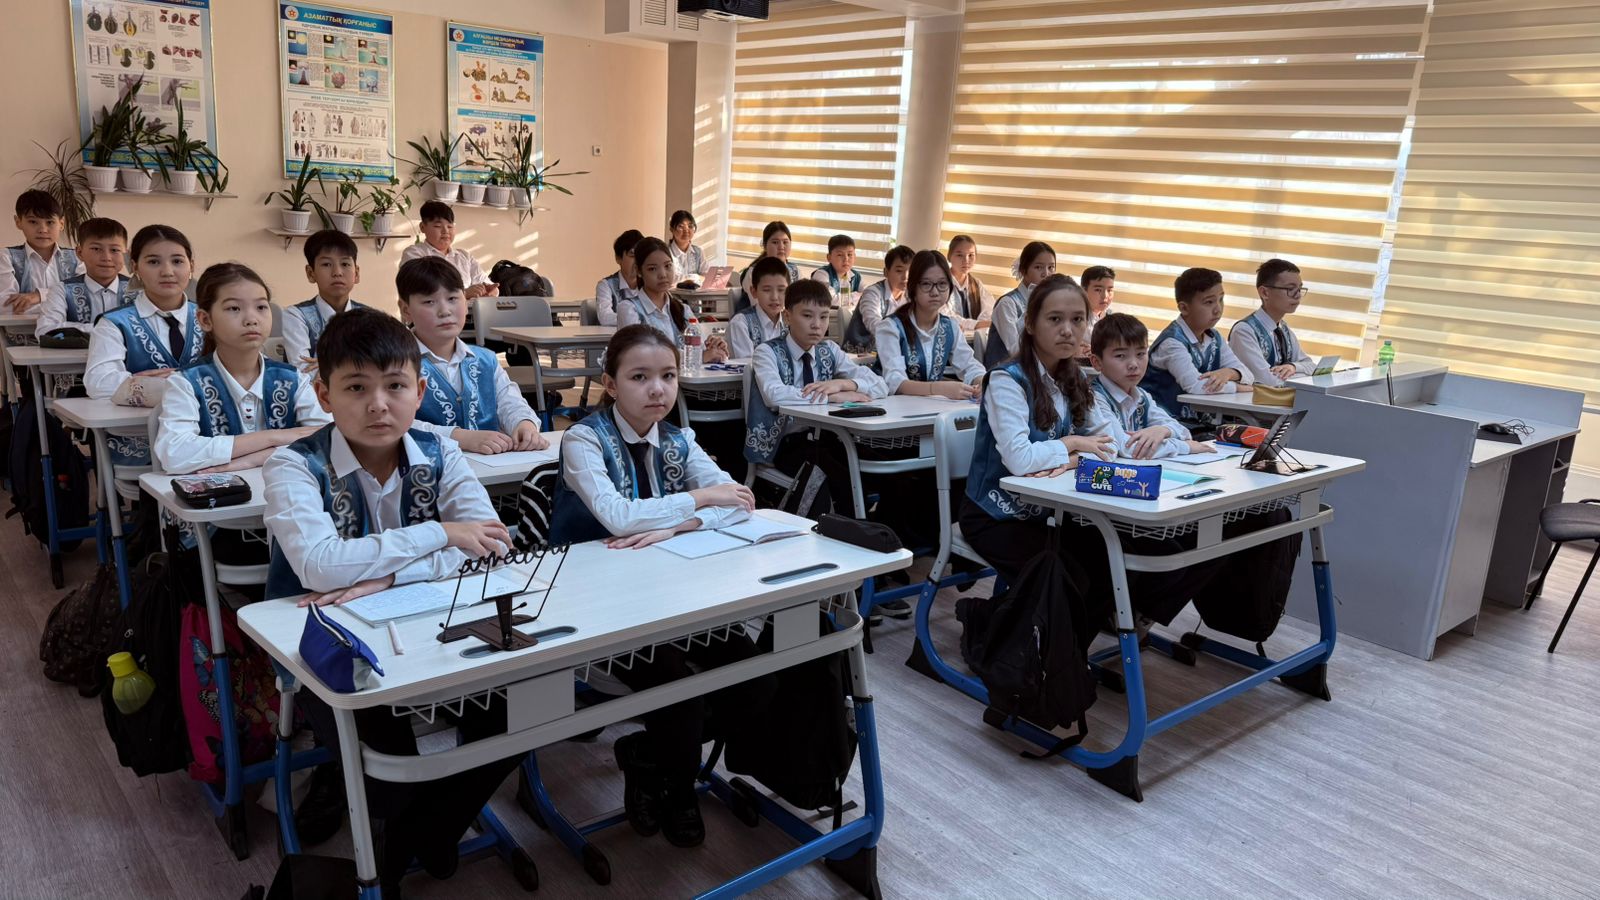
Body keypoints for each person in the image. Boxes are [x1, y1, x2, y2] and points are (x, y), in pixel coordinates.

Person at [262, 307, 523, 894]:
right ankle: (409, 837)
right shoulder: (293, 464)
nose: (379, 405)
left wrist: (389, 578)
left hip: (431, 623)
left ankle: (420, 840)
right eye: (356, 388)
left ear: (419, 392)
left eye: (396, 387)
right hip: (325, 641)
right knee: (388, 762)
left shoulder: (440, 451)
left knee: (514, 714)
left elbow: (491, 544)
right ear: (324, 395)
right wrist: (441, 534)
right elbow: (320, 566)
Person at [548, 324, 773, 849]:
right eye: (639, 377)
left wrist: (681, 525)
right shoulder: (583, 439)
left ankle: (649, 756)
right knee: (678, 690)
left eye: (668, 376)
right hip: (598, 604)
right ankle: (679, 788)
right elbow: (619, 516)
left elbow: (739, 502)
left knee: (754, 674)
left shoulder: (678, 439)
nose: (657, 389)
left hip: (675, 592)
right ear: (610, 384)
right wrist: (700, 500)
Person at [959, 274, 1113, 652]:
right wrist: (1073, 444)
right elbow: (1020, 459)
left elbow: (1108, 445)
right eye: (1055, 319)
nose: (1068, 330)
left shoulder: (1075, 378)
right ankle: (1002, 636)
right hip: (994, 515)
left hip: (1047, 513)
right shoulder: (1006, 380)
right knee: (1066, 576)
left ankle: (1060, 660)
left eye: (1078, 320)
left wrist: (1073, 459)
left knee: (1109, 562)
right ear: (1030, 324)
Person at [155, 263, 327, 475]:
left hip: (285, 488)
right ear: (205, 320)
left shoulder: (293, 379)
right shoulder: (185, 382)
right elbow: (173, 453)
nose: (252, 319)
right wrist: (272, 437)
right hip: (216, 494)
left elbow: (329, 440)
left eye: (261, 307)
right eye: (234, 308)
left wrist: (252, 459)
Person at [746, 279, 888, 514]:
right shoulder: (767, 351)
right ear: (788, 316)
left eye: (823, 317)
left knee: (876, 463)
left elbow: (881, 385)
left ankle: (873, 523)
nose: (816, 325)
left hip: (830, 437)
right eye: (807, 316)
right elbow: (774, 394)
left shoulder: (829, 350)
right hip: (783, 443)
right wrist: (830, 397)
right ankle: (848, 524)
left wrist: (844, 384)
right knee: (839, 472)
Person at [395, 256, 546, 454]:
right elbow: (393, 422)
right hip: (426, 468)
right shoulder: (394, 363)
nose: (445, 311)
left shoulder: (486, 359)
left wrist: (524, 424)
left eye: (452, 299)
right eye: (429, 301)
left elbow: (510, 401)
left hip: (493, 466)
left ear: (466, 303)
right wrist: (459, 437)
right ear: (406, 310)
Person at [85, 224, 204, 468]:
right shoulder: (114, 323)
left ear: (192, 265)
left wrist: (139, 382)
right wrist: (185, 384)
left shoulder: (209, 317)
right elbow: (98, 382)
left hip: (206, 440)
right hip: (140, 443)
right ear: (135, 267)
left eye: (177, 261)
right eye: (153, 262)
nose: (167, 271)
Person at [1088, 313, 1211, 460]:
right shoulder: (1094, 398)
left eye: (1140, 354)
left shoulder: (1141, 395)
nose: (1133, 364)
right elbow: (1126, 448)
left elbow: (1183, 432)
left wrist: (1162, 430)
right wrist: (1186, 447)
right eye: (1120, 356)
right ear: (1097, 362)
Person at [1141, 267, 1252, 421]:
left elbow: (1248, 375)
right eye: (1209, 302)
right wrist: (1238, 387)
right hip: (1163, 422)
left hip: (1197, 423)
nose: (1218, 309)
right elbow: (1197, 386)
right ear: (1184, 308)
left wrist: (1229, 373)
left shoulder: (1214, 337)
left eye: (1221, 299)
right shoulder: (1171, 343)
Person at [875, 249, 984, 398]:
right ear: (913, 288)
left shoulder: (950, 326)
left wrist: (982, 382)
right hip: (891, 407)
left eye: (942, 284)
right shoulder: (890, 327)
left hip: (933, 407)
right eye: (926, 284)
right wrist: (938, 389)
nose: (935, 292)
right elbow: (895, 382)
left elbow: (970, 366)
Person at [618, 237, 728, 363]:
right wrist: (699, 357)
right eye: (652, 269)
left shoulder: (683, 310)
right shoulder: (629, 308)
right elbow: (641, 355)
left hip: (686, 375)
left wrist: (715, 349)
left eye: (668, 266)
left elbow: (700, 348)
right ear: (639, 271)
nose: (663, 274)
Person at [285, 229, 364, 371]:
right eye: (326, 264)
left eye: (345, 264)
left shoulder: (368, 317)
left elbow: (381, 365)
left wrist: (328, 364)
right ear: (311, 273)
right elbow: (303, 371)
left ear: (356, 274)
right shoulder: (296, 316)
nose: (337, 272)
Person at [37, 217, 129, 337]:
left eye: (114, 250)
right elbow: (45, 330)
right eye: (96, 249)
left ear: (126, 255)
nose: (106, 257)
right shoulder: (62, 290)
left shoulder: (140, 291)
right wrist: (108, 328)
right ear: (80, 253)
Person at [1229, 258, 1315, 386]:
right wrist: (1303, 375)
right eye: (1290, 289)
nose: (1297, 295)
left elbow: (1312, 367)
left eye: (1299, 289)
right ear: (1265, 293)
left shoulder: (1283, 328)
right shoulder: (1244, 331)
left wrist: (1293, 367)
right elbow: (1268, 381)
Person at [1, 189, 81, 314]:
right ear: (18, 222)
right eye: (33, 222)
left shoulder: (78, 257)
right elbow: (5, 306)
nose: (43, 230)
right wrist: (63, 304)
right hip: (20, 328)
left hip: (69, 328)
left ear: (61, 224)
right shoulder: (6, 257)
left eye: (50, 222)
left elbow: (86, 298)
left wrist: (39, 296)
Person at [400, 201, 498, 299]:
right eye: (438, 226)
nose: (446, 231)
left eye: (450, 226)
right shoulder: (414, 254)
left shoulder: (464, 256)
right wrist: (463, 294)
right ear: (422, 227)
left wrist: (490, 290)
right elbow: (421, 291)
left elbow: (486, 283)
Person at [984, 241, 1056, 366]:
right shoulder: (1007, 304)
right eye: (1038, 267)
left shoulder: (1050, 303)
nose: (1046, 274)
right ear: (1023, 270)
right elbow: (1016, 350)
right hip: (1006, 372)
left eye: (1051, 268)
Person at [842, 244, 912, 351]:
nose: (905, 277)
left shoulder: (910, 296)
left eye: (910, 271)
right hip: (861, 354)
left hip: (891, 352)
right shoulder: (873, 293)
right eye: (899, 271)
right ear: (886, 272)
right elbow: (874, 323)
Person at [726, 255, 789, 360]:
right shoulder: (741, 324)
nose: (774, 297)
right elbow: (748, 365)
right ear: (753, 292)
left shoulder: (791, 322)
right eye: (767, 290)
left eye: (781, 290)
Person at [595, 228, 644, 326]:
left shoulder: (649, 283)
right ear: (618, 258)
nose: (637, 260)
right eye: (632, 255)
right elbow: (605, 317)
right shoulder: (606, 285)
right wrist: (638, 319)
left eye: (641, 255)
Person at [738, 220, 800, 296]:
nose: (781, 247)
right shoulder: (753, 272)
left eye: (785, 242)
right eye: (775, 242)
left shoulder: (795, 270)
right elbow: (759, 302)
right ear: (765, 245)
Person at [945, 234, 993, 331]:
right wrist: (977, 324)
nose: (966, 260)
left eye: (971, 255)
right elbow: (945, 316)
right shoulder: (941, 284)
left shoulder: (976, 284)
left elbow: (990, 310)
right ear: (949, 256)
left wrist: (980, 326)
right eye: (959, 255)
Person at [1079, 264, 1115, 356]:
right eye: (1098, 290)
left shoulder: (1111, 319)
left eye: (1109, 290)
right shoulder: (1075, 319)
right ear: (1083, 290)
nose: (1105, 296)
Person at [666, 210, 709, 281]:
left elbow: (706, 277)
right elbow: (667, 278)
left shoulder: (698, 251)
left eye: (690, 226)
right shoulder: (665, 252)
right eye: (681, 226)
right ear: (672, 229)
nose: (686, 230)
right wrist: (692, 277)